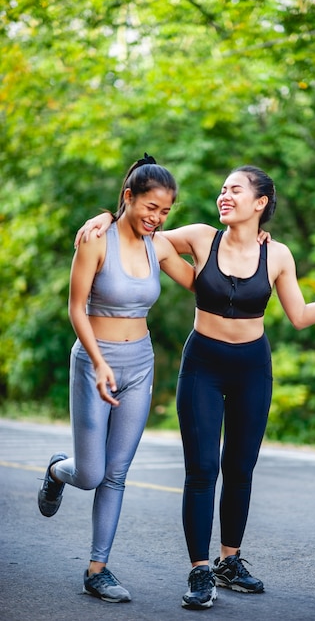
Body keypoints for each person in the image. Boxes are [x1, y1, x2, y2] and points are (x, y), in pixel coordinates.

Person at [76, 163, 315, 610]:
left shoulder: (276, 255)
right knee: (202, 471)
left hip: (252, 367)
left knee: (240, 468)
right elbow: (143, 235)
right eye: (222, 189)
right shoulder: (200, 237)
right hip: (203, 363)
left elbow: (298, 316)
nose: (224, 195)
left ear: (259, 203)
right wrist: (105, 216)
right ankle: (200, 571)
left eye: (235, 190)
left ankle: (229, 562)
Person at [38, 154, 195, 604]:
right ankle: (56, 469)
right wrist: (99, 361)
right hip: (94, 362)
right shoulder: (95, 239)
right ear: (129, 197)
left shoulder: (159, 245)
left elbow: (200, 281)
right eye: (150, 207)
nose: (157, 218)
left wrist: (247, 247)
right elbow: (75, 307)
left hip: (139, 364)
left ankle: (97, 569)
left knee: (116, 473)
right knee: (90, 474)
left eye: (165, 212)